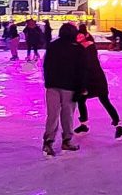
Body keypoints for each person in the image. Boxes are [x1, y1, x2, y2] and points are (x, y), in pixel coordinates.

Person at [74, 24, 122, 140]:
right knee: (81, 100)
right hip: (89, 79)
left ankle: (119, 126)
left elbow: (87, 65)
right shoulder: (83, 46)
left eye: (79, 37)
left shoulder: (88, 47)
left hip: (95, 79)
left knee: (103, 100)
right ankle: (84, 124)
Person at [41, 22, 84, 157]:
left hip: (53, 85)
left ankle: (48, 142)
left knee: (52, 115)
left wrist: (48, 81)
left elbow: (46, 65)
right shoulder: (78, 49)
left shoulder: (53, 46)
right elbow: (81, 70)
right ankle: (66, 140)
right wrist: (81, 87)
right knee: (68, 115)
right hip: (69, 87)